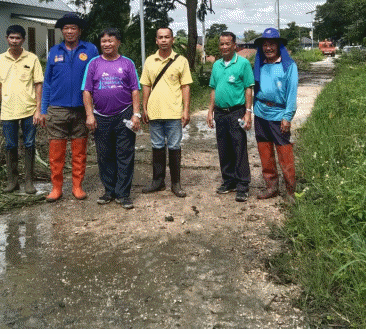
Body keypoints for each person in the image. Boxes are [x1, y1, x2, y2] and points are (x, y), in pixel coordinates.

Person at [36, 12, 98, 201]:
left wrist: (93, 111)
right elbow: (47, 83)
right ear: (62, 31)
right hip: (57, 109)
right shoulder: (54, 52)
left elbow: (96, 79)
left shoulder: (91, 50)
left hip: (82, 109)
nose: (69, 31)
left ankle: (77, 186)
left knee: (79, 152)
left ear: (79, 31)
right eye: (66, 28)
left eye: (73, 28)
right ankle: (56, 188)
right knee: (56, 153)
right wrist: (43, 110)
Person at [82, 28, 142, 209]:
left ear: (118, 43)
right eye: (103, 41)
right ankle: (109, 191)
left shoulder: (127, 63)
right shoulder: (93, 63)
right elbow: (87, 90)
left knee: (125, 155)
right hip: (101, 117)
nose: (106, 44)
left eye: (110, 41)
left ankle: (123, 194)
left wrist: (136, 114)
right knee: (105, 155)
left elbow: (135, 89)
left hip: (124, 114)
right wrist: (89, 114)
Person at [0, 25, 44, 193]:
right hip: (8, 111)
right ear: (7, 38)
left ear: (23, 40)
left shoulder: (32, 58)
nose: (14, 41)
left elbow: (38, 85)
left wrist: (38, 109)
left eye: (18, 38)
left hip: (29, 110)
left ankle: (29, 182)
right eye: (11, 38)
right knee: (10, 145)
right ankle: (12, 182)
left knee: (29, 144)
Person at [139, 26, 193, 196]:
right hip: (154, 112)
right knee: (156, 147)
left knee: (175, 147)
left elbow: (185, 86)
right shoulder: (149, 61)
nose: (163, 40)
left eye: (167, 37)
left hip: (174, 113)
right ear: (156, 40)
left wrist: (186, 110)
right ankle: (158, 181)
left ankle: (176, 184)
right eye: (160, 37)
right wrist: (144, 107)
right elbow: (146, 85)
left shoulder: (181, 61)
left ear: (172, 40)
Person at [206, 31, 254, 202]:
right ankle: (229, 181)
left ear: (235, 45)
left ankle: (242, 184)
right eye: (221, 44)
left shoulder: (243, 64)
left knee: (239, 148)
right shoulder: (217, 65)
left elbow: (249, 88)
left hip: (237, 112)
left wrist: (248, 112)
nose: (224, 47)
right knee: (224, 148)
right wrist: (210, 111)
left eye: (227, 44)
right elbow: (213, 88)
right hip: (220, 113)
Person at [251, 28, 299, 200]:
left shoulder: (288, 66)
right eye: (265, 45)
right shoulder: (260, 65)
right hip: (261, 113)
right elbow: (253, 88)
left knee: (284, 153)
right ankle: (271, 187)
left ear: (278, 46)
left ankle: (290, 190)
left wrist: (288, 117)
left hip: (279, 115)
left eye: (271, 44)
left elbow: (292, 94)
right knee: (265, 152)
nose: (268, 48)